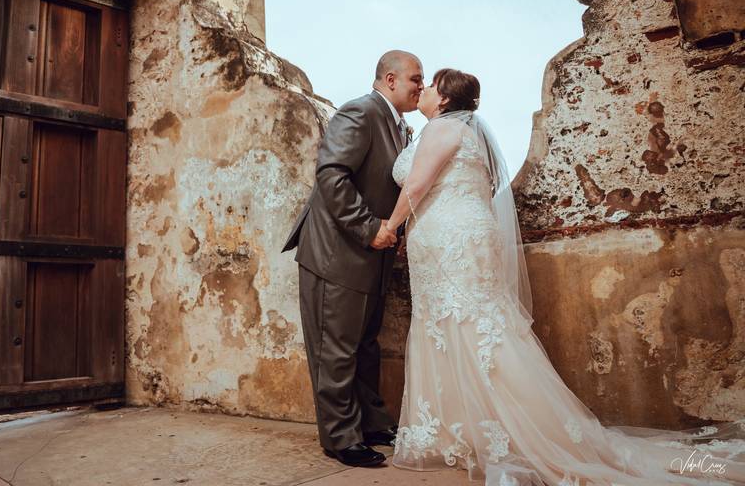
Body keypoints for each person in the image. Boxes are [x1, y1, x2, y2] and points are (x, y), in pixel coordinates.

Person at [386, 67, 745, 485]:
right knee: (466, 326)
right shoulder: (471, 135)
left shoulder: (443, 129)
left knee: (465, 326)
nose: (425, 89)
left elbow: (417, 184)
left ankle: (503, 431)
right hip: (458, 235)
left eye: (430, 85)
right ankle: (465, 429)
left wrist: (391, 227)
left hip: (449, 240)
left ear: (445, 100)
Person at [282, 50, 423, 467]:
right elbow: (331, 174)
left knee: (365, 345)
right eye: (416, 78)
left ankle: (373, 423)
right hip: (336, 252)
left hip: (373, 255)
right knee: (335, 349)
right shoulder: (360, 111)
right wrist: (368, 227)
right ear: (390, 79)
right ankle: (340, 437)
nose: (421, 86)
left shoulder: (401, 128)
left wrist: (394, 232)